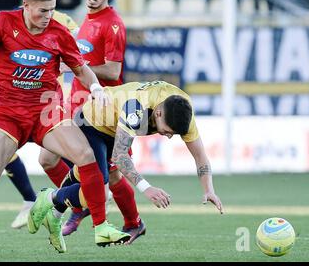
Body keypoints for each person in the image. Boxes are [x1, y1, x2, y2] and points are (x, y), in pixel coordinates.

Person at [0, 0, 129, 258]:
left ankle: (101, 226)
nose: (48, 16)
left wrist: (96, 87)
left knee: (86, 156)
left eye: (52, 10)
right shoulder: (3, 21)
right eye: (43, 11)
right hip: (8, 115)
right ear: (26, 5)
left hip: (46, 113)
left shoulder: (59, 33)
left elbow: (80, 68)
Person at [29, 80, 224, 243]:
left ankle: (55, 211)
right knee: (98, 196)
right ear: (158, 113)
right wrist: (147, 188)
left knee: (97, 187)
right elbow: (120, 155)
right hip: (91, 122)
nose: (169, 136)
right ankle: (50, 198)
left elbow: (200, 155)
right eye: (167, 131)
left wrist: (209, 190)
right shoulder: (136, 107)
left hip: (116, 128)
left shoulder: (183, 111)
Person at [33, 0, 143, 240]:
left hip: (104, 111)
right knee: (48, 158)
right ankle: (79, 204)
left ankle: (132, 222)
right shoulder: (87, 18)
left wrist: (74, 67)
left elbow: (114, 71)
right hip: (79, 106)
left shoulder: (112, 24)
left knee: (113, 175)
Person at [0, 0, 79, 231]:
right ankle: (37, 199)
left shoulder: (62, 22)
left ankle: (80, 198)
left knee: (61, 157)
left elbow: (81, 57)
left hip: (49, 101)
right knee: (4, 155)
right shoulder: (9, 20)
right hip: (14, 99)